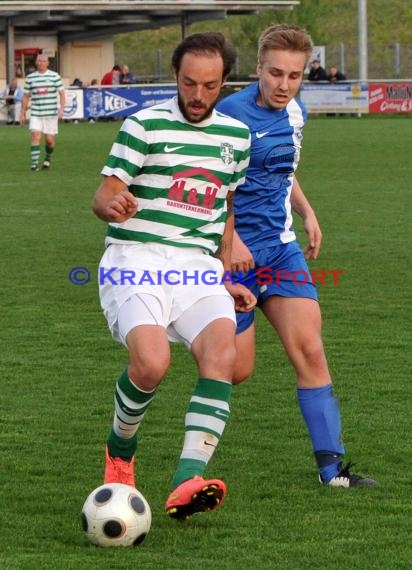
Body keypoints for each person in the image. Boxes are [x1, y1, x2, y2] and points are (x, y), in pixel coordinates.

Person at [92, 31, 256, 521]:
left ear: (225, 82)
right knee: (151, 364)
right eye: (189, 83)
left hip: (198, 269)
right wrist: (110, 205)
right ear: (176, 77)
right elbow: (104, 193)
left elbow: (225, 208)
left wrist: (225, 270)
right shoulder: (143, 124)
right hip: (135, 257)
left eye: (209, 85)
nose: (198, 95)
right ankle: (121, 449)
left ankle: (188, 479)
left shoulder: (236, 137)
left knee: (221, 353)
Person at [216, 24, 377, 488]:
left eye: (294, 75)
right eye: (275, 74)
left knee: (310, 350)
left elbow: (283, 172)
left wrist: (307, 211)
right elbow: (211, 186)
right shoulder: (229, 115)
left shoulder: (296, 113)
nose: (283, 85)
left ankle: (333, 472)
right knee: (236, 371)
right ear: (258, 69)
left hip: (282, 252)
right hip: (234, 260)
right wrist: (231, 242)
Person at [20, 54, 65, 171]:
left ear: (48, 63)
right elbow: (25, 96)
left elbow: (62, 94)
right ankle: (34, 165)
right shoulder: (30, 78)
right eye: (39, 61)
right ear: (36, 62)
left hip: (51, 114)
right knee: (36, 136)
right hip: (36, 113)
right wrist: (22, 113)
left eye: (44, 61)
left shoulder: (55, 76)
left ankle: (47, 158)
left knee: (49, 141)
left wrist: (62, 109)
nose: (41, 63)